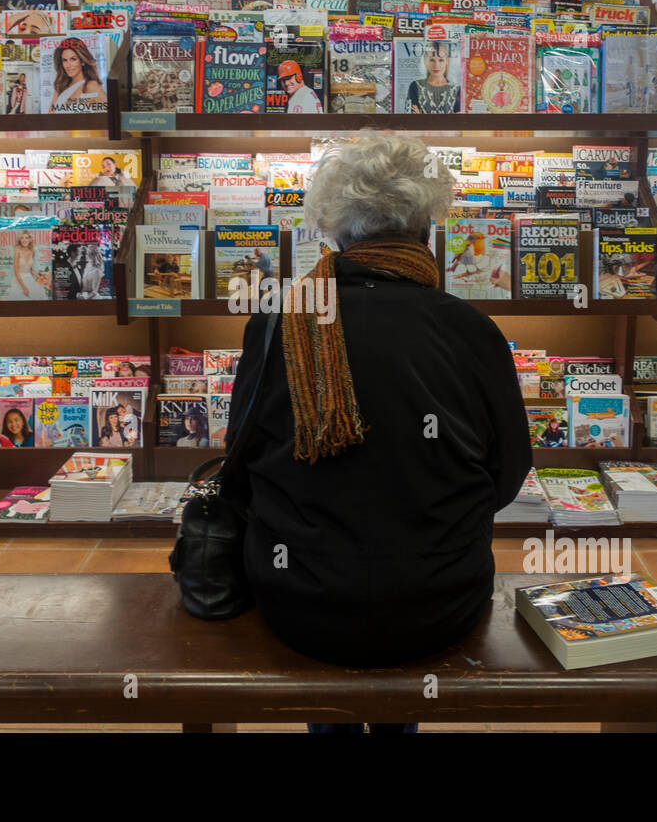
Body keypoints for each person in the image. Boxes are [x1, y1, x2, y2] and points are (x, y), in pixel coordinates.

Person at [213, 136, 531, 733]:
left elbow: (242, 459)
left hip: (299, 596)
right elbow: (507, 473)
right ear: (425, 230)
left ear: (335, 232)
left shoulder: (279, 318)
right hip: (438, 599)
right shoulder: (469, 329)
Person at [50, 38, 106, 112]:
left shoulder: (91, 85)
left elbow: (109, 114)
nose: (68, 65)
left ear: (82, 61)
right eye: (65, 60)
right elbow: (50, 114)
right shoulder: (61, 86)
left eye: (73, 59)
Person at [406, 41, 460, 114]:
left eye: (441, 60)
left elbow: (458, 123)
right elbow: (412, 120)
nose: (436, 65)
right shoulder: (415, 86)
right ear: (426, 61)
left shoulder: (456, 90)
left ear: (447, 61)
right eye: (432, 60)